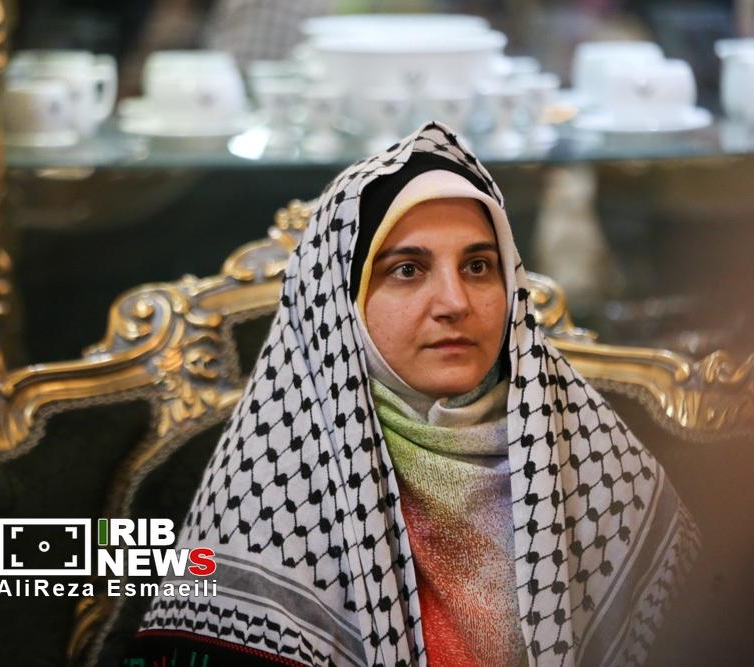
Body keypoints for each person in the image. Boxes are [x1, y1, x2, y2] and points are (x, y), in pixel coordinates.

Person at [130, 122, 699, 666]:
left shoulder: (598, 462)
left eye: (478, 266)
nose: (454, 302)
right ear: (343, 306)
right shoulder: (263, 494)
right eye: (407, 270)